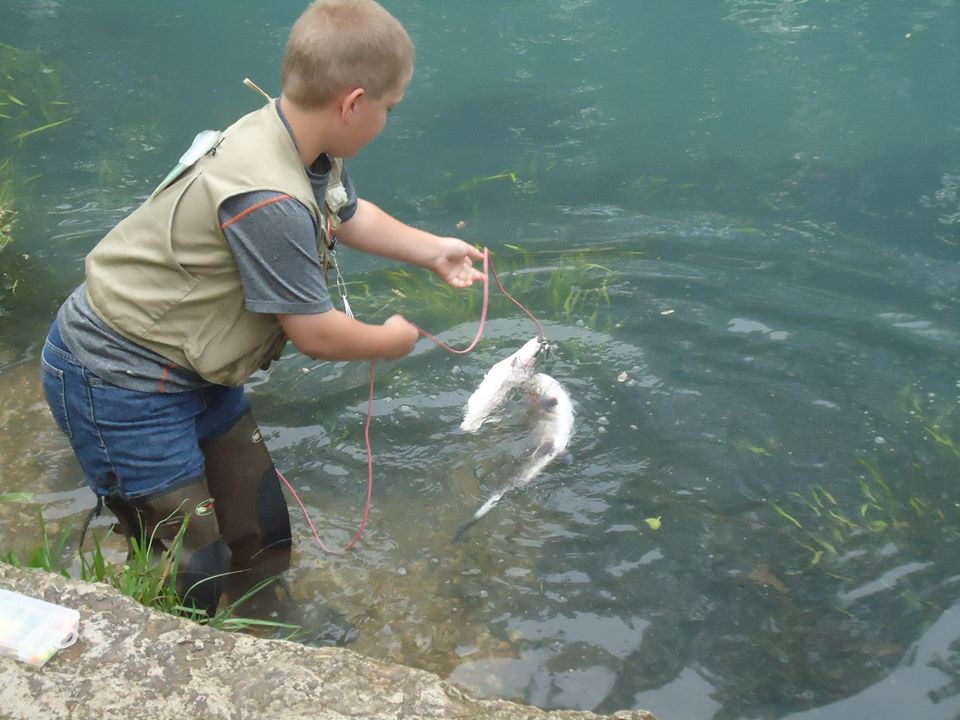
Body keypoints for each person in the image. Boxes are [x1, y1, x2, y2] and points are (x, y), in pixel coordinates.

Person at [40, 0, 484, 620]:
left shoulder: (300, 138)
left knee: (262, 526)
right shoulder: (267, 198)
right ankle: (189, 656)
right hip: (117, 380)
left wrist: (432, 249)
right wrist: (386, 340)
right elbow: (316, 335)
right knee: (192, 559)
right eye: (390, 108)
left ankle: (268, 628)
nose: (389, 120)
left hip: (193, 370)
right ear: (353, 103)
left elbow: (346, 212)